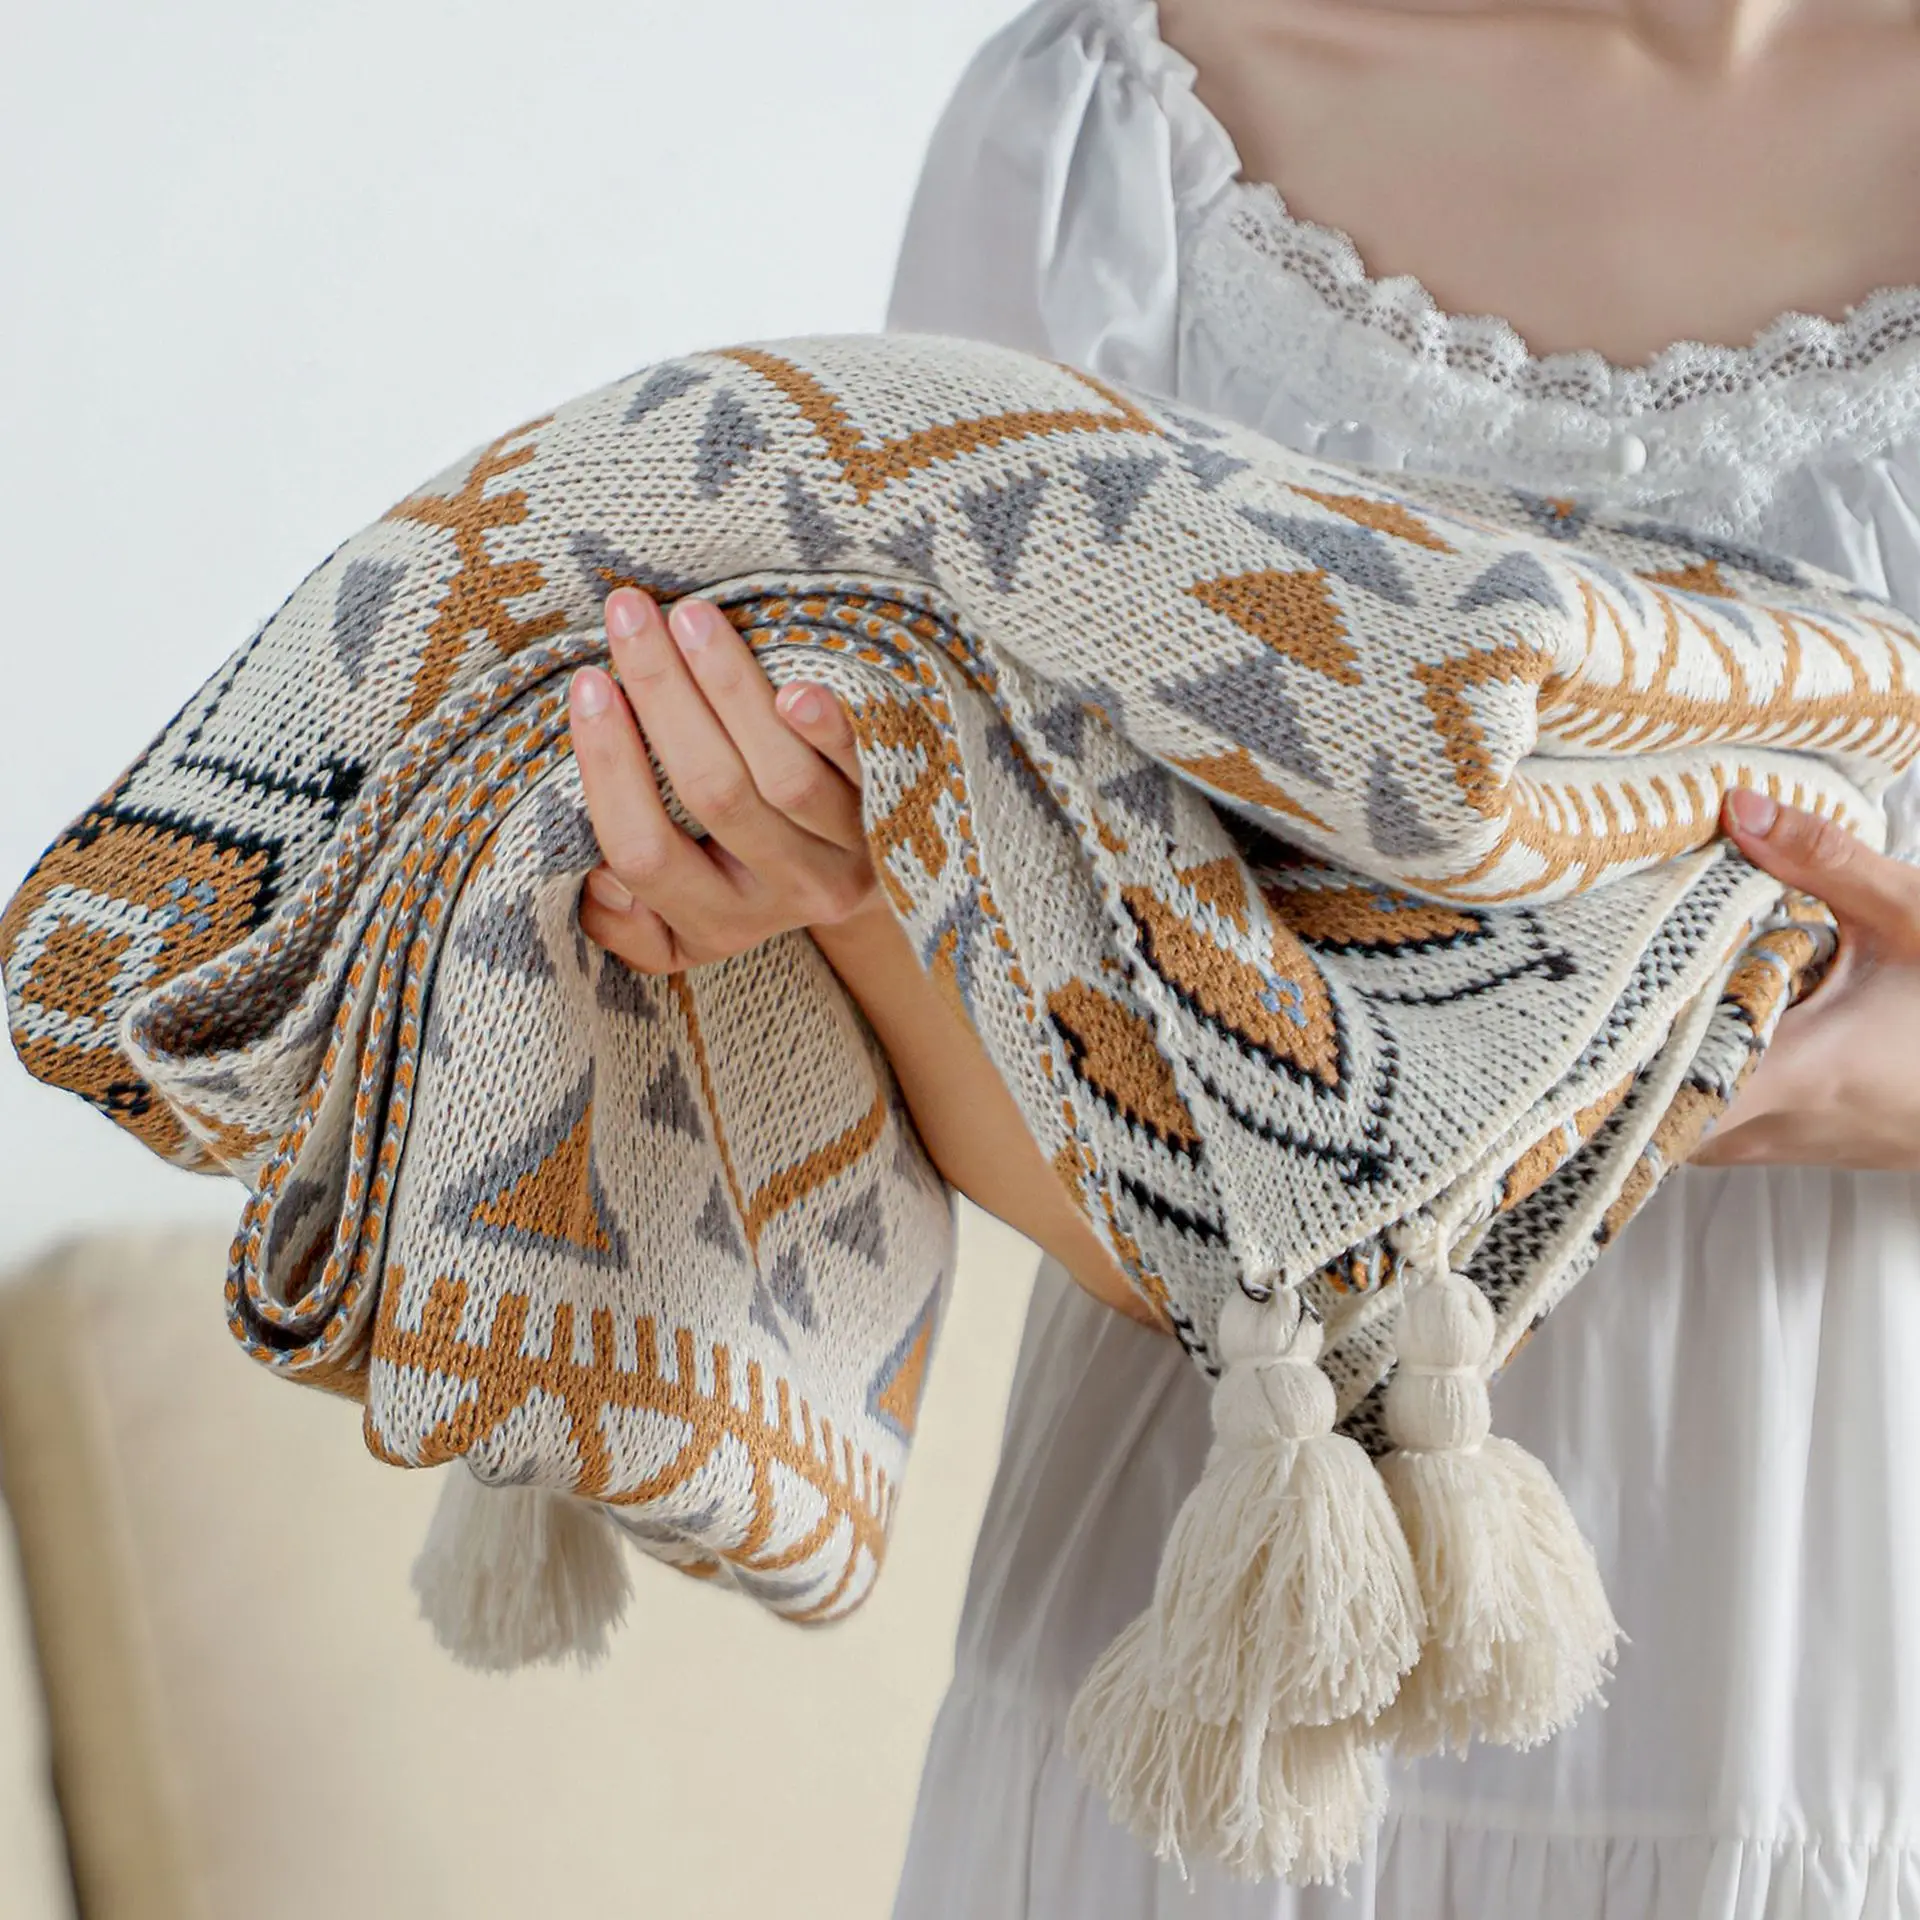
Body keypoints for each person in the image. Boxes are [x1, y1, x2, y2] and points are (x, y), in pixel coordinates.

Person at [567, 0, 1920, 1911]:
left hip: (1852, 1654)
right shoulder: (1110, 132)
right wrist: (841, 900)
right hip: (1237, 1631)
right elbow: (1109, 1128)